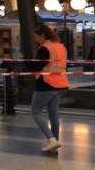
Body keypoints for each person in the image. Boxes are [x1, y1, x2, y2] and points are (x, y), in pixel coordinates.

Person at [29, 24, 69, 153]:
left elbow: (36, 67)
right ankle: (54, 143)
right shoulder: (60, 47)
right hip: (61, 84)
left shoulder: (45, 49)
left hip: (46, 84)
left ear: (42, 35)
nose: (36, 40)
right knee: (53, 114)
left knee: (36, 111)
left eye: (37, 37)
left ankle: (52, 140)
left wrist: (24, 60)